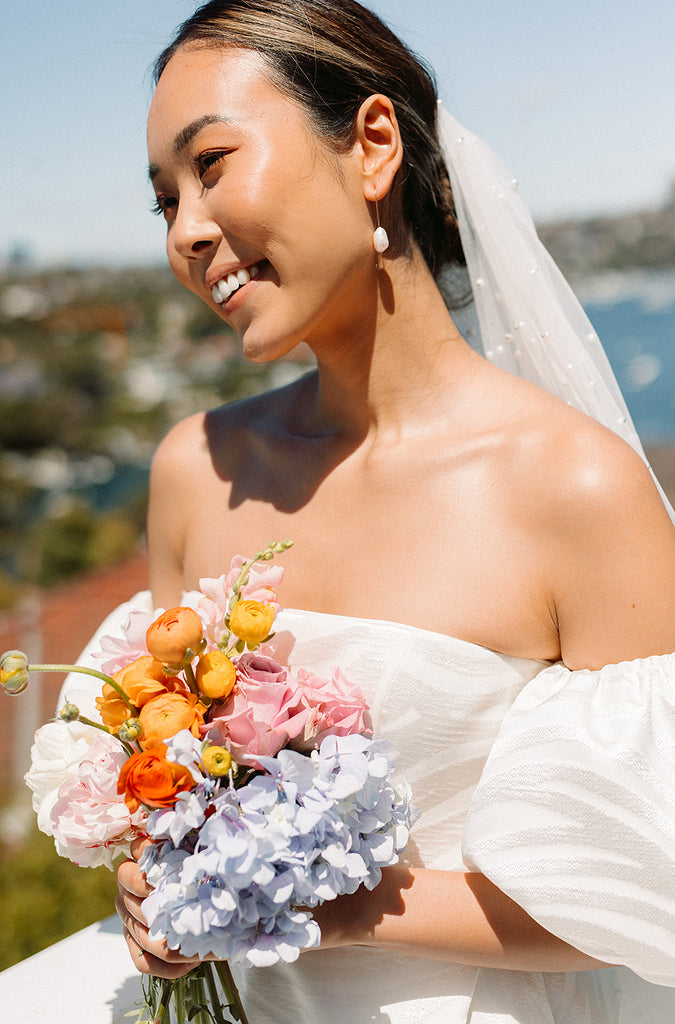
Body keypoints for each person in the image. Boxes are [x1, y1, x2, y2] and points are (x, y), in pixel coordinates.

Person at [112, 1, 675, 1021]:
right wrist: (157, 888)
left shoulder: (576, 490)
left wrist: (309, 902)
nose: (188, 231)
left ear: (372, 145)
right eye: (162, 202)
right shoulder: (195, 469)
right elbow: (156, 778)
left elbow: (646, 890)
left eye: (211, 166)